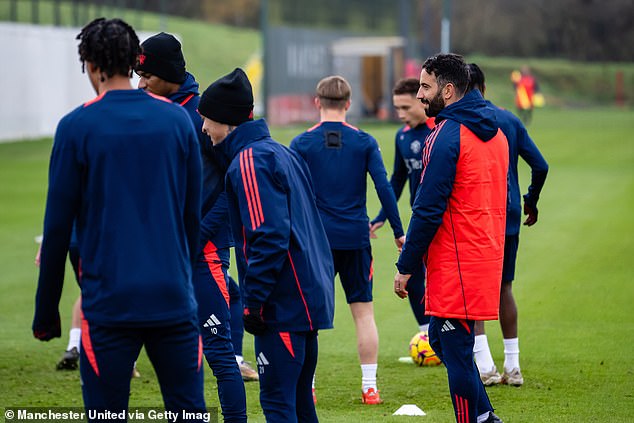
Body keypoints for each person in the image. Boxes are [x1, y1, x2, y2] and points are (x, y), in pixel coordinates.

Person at [32, 18, 206, 420]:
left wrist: (46, 313)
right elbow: (191, 216)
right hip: (174, 299)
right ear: (134, 62)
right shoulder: (177, 120)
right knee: (189, 413)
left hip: (109, 304)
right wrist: (183, 278)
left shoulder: (76, 126)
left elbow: (58, 229)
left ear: (91, 65)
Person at [198, 68, 335, 423]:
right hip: (307, 300)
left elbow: (269, 236)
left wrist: (254, 302)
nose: (203, 129)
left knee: (277, 404)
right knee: (301, 405)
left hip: (282, 306)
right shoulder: (280, 152)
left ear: (226, 121)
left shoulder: (249, 162)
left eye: (207, 119)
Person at [135, 32, 247, 420]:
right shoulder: (149, 111)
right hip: (164, 254)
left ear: (168, 73)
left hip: (204, 252)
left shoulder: (203, 114)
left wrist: (198, 235)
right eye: (136, 73)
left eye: (147, 74)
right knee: (176, 354)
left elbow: (233, 184)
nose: (140, 81)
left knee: (218, 352)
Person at [394, 53, 508, 423]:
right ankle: (486, 416)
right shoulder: (497, 132)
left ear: (448, 89)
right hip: (485, 253)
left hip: (457, 259)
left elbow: (427, 209)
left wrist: (406, 266)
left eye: (425, 87)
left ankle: (473, 419)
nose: (420, 95)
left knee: (455, 348)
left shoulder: (444, 135)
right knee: (444, 340)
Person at [291, 75, 405, 404]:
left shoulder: (302, 143)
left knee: (308, 317)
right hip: (356, 237)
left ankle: (307, 387)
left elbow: (291, 192)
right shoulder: (365, 142)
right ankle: (370, 387)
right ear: (348, 104)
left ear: (317, 102)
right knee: (364, 313)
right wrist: (398, 231)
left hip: (316, 243)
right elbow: (384, 187)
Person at [468, 63, 549, 387]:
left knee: (474, 289)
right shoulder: (509, 119)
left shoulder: (462, 121)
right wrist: (530, 199)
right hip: (509, 213)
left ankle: (485, 366)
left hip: (476, 215)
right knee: (504, 287)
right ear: (484, 88)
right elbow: (540, 165)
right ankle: (513, 367)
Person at [370, 77, 435, 333]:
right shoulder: (402, 136)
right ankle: (426, 335)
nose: (400, 114)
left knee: (442, 276)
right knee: (412, 270)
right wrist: (380, 217)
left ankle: (462, 340)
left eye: (406, 108)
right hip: (419, 217)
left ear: (422, 101)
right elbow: (397, 179)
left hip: (444, 218)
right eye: (397, 108)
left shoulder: (439, 130)